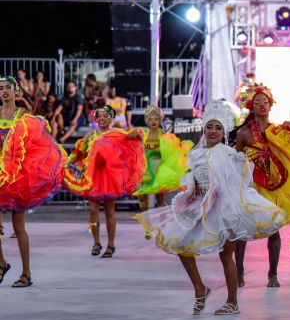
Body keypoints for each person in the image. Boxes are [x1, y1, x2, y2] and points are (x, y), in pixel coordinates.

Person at [136, 100, 285, 316]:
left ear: (224, 131)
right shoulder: (195, 154)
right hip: (200, 208)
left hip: (226, 210)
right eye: (209, 126)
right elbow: (192, 181)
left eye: (218, 128)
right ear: (203, 128)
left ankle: (232, 302)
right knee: (180, 246)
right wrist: (189, 194)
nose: (213, 131)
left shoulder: (229, 153)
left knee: (226, 256)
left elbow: (240, 182)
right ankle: (200, 288)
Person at [233, 83, 290, 288]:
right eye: (257, 102)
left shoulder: (278, 130)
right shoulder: (244, 133)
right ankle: (238, 272)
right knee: (242, 230)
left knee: (274, 230)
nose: (262, 105)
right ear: (251, 106)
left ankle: (272, 274)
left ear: (271, 105)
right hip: (252, 186)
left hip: (275, 186)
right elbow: (236, 162)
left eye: (265, 101)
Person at [0, 75, 66, 288]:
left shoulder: (23, 116)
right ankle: (1, 264)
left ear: (16, 91)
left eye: (8, 87)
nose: (4, 91)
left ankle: (26, 274)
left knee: (18, 226)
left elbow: (38, 144)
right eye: (0, 88)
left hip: (18, 177)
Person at [64, 105, 145, 258]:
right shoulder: (91, 134)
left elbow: (129, 139)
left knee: (109, 210)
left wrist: (137, 133)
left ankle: (111, 244)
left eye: (105, 115)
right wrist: (67, 163)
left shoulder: (116, 133)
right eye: (99, 116)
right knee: (93, 210)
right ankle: (96, 242)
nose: (101, 118)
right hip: (91, 176)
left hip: (109, 178)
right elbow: (78, 152)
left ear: (111, 117)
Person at [133, 106, 193, 235]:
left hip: (159, 170)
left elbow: (171, 153)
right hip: (145, 170)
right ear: (147, 121)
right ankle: (148, 227)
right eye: (151, 119)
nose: (153, 122)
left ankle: (162, 227)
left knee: (160, 199)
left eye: (156, 119)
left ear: (160, 120)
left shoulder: (164, 136)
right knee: (142, 197)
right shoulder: (143, 134)